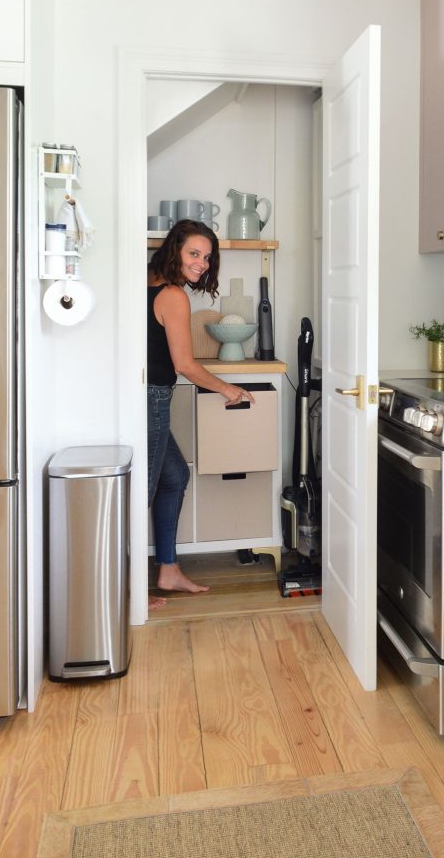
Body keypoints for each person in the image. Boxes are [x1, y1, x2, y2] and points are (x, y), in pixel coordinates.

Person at [147, 219, 255, 610]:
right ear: (174, 249)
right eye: (194, 253)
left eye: (207, 257)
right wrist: (229, 389)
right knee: (141, 491)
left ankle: (168, 570)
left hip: (139, 396)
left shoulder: (145, 279)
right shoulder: (173, 295)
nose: (202, 263)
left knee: (174, 476)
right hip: (151, 398)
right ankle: (124, 592)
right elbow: (186, 365)